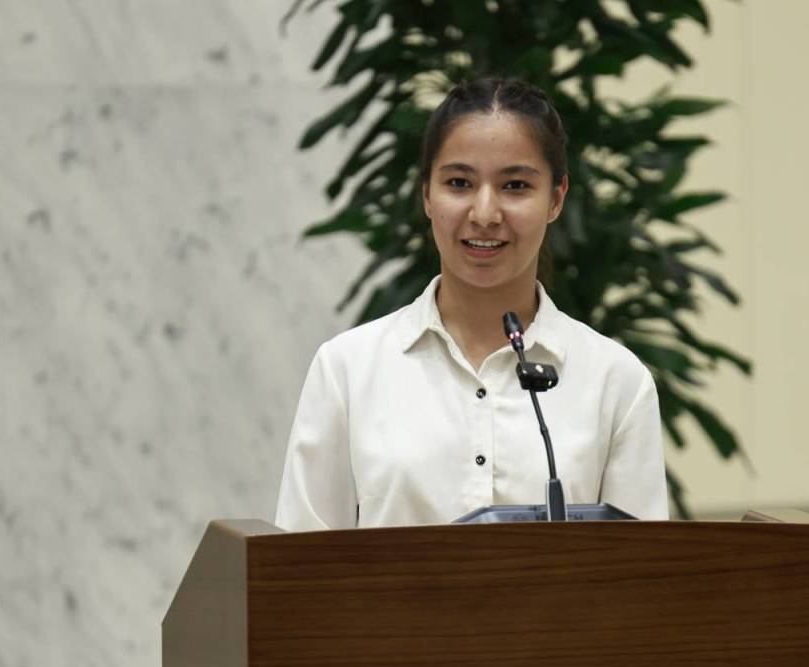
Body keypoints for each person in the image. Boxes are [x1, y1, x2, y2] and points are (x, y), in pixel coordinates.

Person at [275, 77, 668, 531]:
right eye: (459, 183)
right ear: (427, 194)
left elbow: (641, 569)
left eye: (515, 186)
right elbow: (297, 561)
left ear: (556, 199)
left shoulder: (616, 382)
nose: (484, 214)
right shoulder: (347, 370)